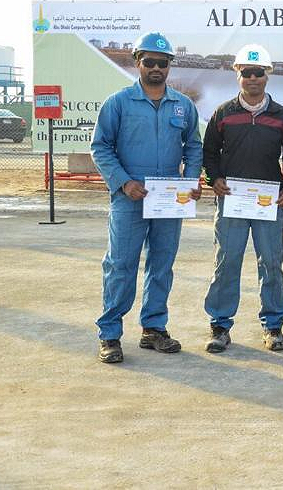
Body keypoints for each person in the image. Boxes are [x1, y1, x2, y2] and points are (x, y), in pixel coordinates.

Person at [90, 33, 202, 363]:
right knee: (120, 265)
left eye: (162, 62)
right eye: (149, 61)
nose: (156, 68)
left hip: (169, 197)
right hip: (130, 197)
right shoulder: (119, 103)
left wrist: (190, 180)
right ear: (137, 62)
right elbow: (100, 147)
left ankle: (153, 328)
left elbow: (193, 146)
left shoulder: (183, 105)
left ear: (169, 66)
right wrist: (123, 182)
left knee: (162, 264)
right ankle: (110, 333)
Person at [202, 44, 283, 353]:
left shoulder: (281, 116)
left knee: (271, 263)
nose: (253, 78)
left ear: (267, 75)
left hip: (268, 203)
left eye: (258, 73)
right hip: (232, 200)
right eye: (247, 73)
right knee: (226, 261)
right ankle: (220, 325)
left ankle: (273, 326)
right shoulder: (223, 113)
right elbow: (209, 152)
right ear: (237, 75)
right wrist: (214, 178)